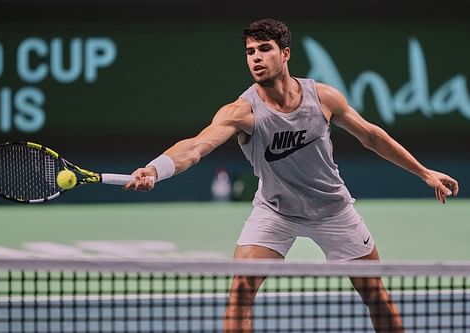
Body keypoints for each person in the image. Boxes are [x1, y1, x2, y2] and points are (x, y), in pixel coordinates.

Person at [125, 18, 459, 333]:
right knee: (241, 288)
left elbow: (371, 136)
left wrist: (424, 172)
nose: (256, 58)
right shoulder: (241, 111)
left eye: (264, 49)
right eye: (250, 52)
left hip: (333, 210)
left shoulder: (323, 97)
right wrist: (157, 168)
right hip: (275, 210)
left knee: (374, 291)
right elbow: (196, 146)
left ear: (285, 53)